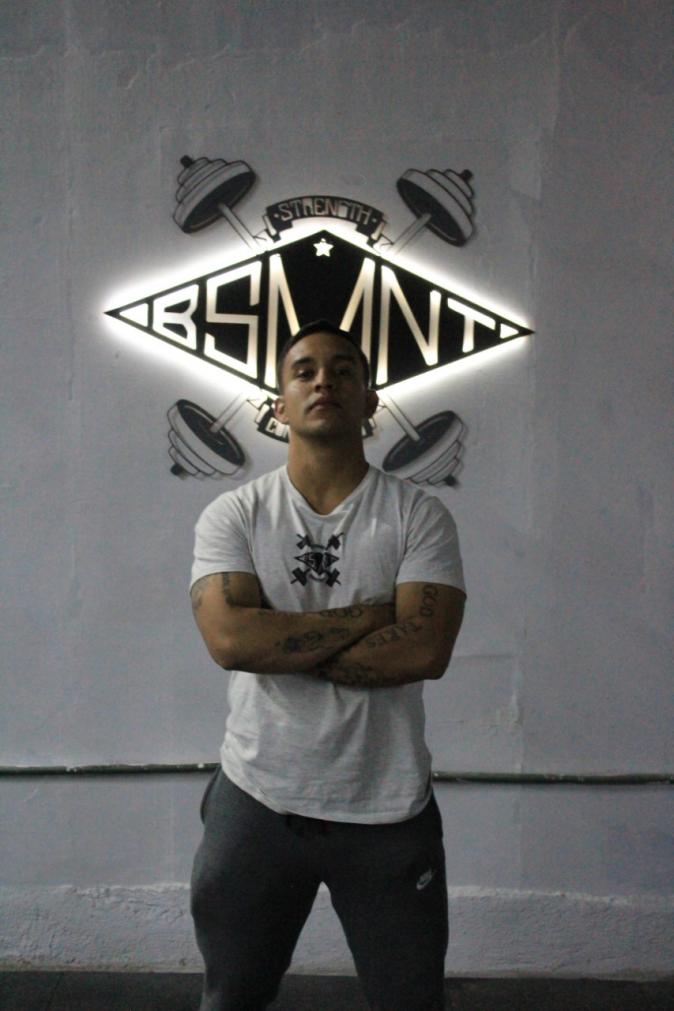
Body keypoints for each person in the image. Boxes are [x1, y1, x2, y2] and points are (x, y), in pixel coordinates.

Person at [188, 319, 466, 1011]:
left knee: (411, 1001)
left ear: (369, 401)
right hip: (257, 799)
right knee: (231, 996)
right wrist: (375, 615)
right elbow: (231, 641)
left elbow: (425, 649)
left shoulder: (418, 515)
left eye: (344, 370)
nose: (324, 381)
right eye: (304, 370)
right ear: (278, 405)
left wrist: (281, 639)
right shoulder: (234, 514)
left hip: (387, 806)